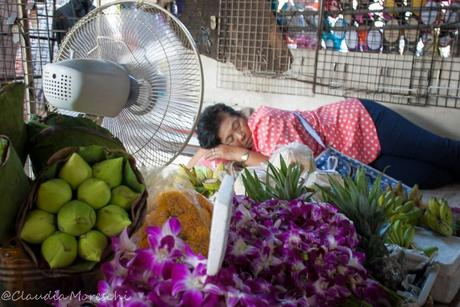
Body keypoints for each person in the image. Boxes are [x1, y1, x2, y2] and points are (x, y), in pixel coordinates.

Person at [188, 98, 460, 189]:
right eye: (231, 138)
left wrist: (234, 152)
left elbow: (283, 167)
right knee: (431, 177)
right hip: (360, 159)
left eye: (236, 125)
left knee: (442, 150)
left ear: (239, 114)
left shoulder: (263, 122)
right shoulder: (252, 149)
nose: (240, 137)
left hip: (362, 122)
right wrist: (213, 151)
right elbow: (201, 160)